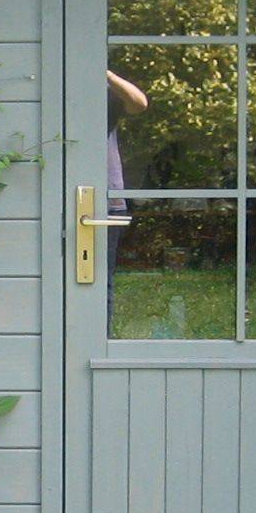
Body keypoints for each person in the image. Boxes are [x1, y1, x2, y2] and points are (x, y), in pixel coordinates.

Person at [106, 68, 148, 330]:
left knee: (101, 280)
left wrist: (105, 74)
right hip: (64, 196)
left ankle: (101, 341)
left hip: (106, 201)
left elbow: (139, 103)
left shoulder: (105, 95)